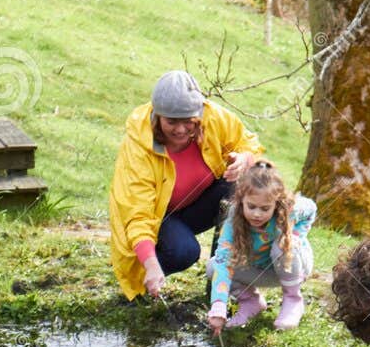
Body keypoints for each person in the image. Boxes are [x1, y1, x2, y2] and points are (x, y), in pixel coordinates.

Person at [108, 70, 265, 301]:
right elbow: (137, 215)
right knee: (185, 252)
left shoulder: (214, 119)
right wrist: (150, 264)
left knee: (242, 182)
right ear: (157, 116)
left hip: (195, 207)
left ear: (199, 115)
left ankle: (220, 288)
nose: (181, 130)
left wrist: (246, 159)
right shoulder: (139, 146)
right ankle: (147, 279)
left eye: (189, 122)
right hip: (157, 217)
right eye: (171, 121)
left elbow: (247, 143)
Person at [206, 160, 317, 332]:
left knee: (282, 244)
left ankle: (293, 299)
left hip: (294, 264)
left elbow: (311, 209)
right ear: (241, 200)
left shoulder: (289, 209)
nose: (257, 214)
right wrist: (219, 304)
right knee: (213, 265)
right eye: (251, 207)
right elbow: (223, 261)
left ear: (276, 204)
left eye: (265, 209)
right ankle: (251, 302)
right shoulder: (233, 221)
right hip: (264, 271)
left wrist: (295, 235)